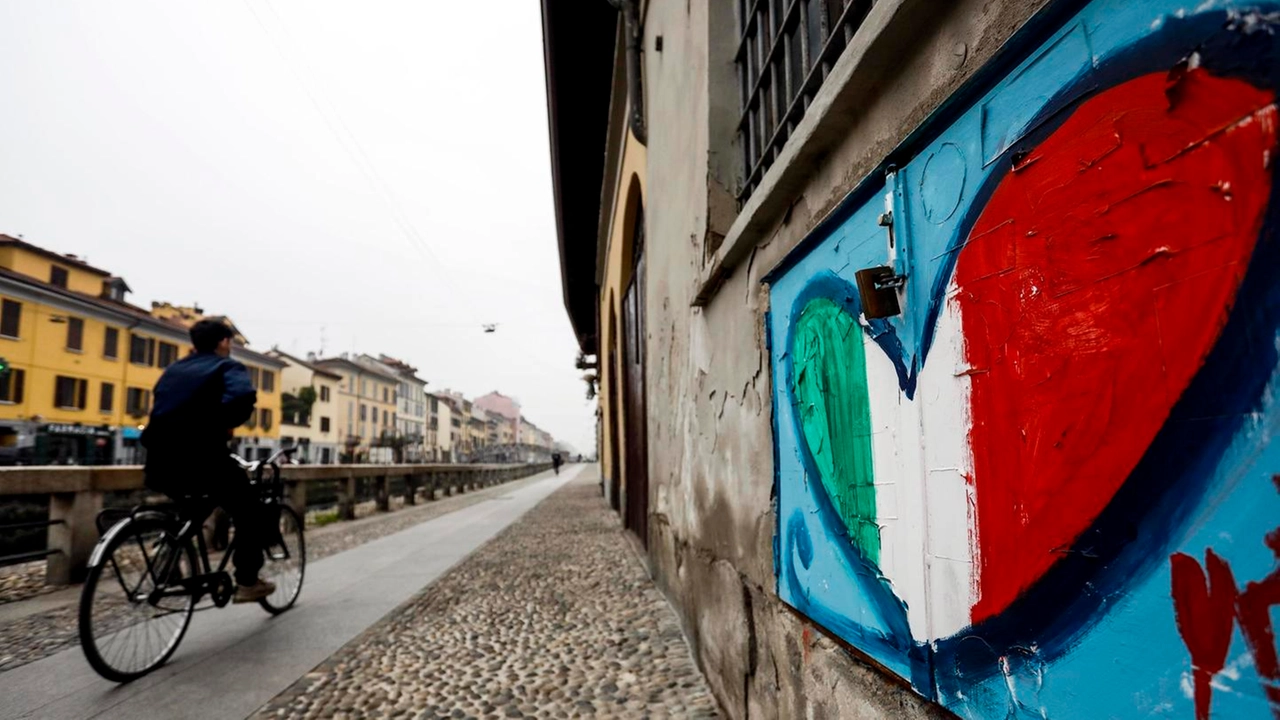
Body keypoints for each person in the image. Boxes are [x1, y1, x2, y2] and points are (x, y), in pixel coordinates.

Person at [141, 320, 276, 603]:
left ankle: (168, 554)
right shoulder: (227, 366)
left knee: (191, 509)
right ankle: (248, 581)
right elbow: (241, 396)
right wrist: (223, 422)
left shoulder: (173, 369)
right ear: (224, 342)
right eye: (230, 342)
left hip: (158, 460)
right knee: (250, 512)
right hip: (202, 457)